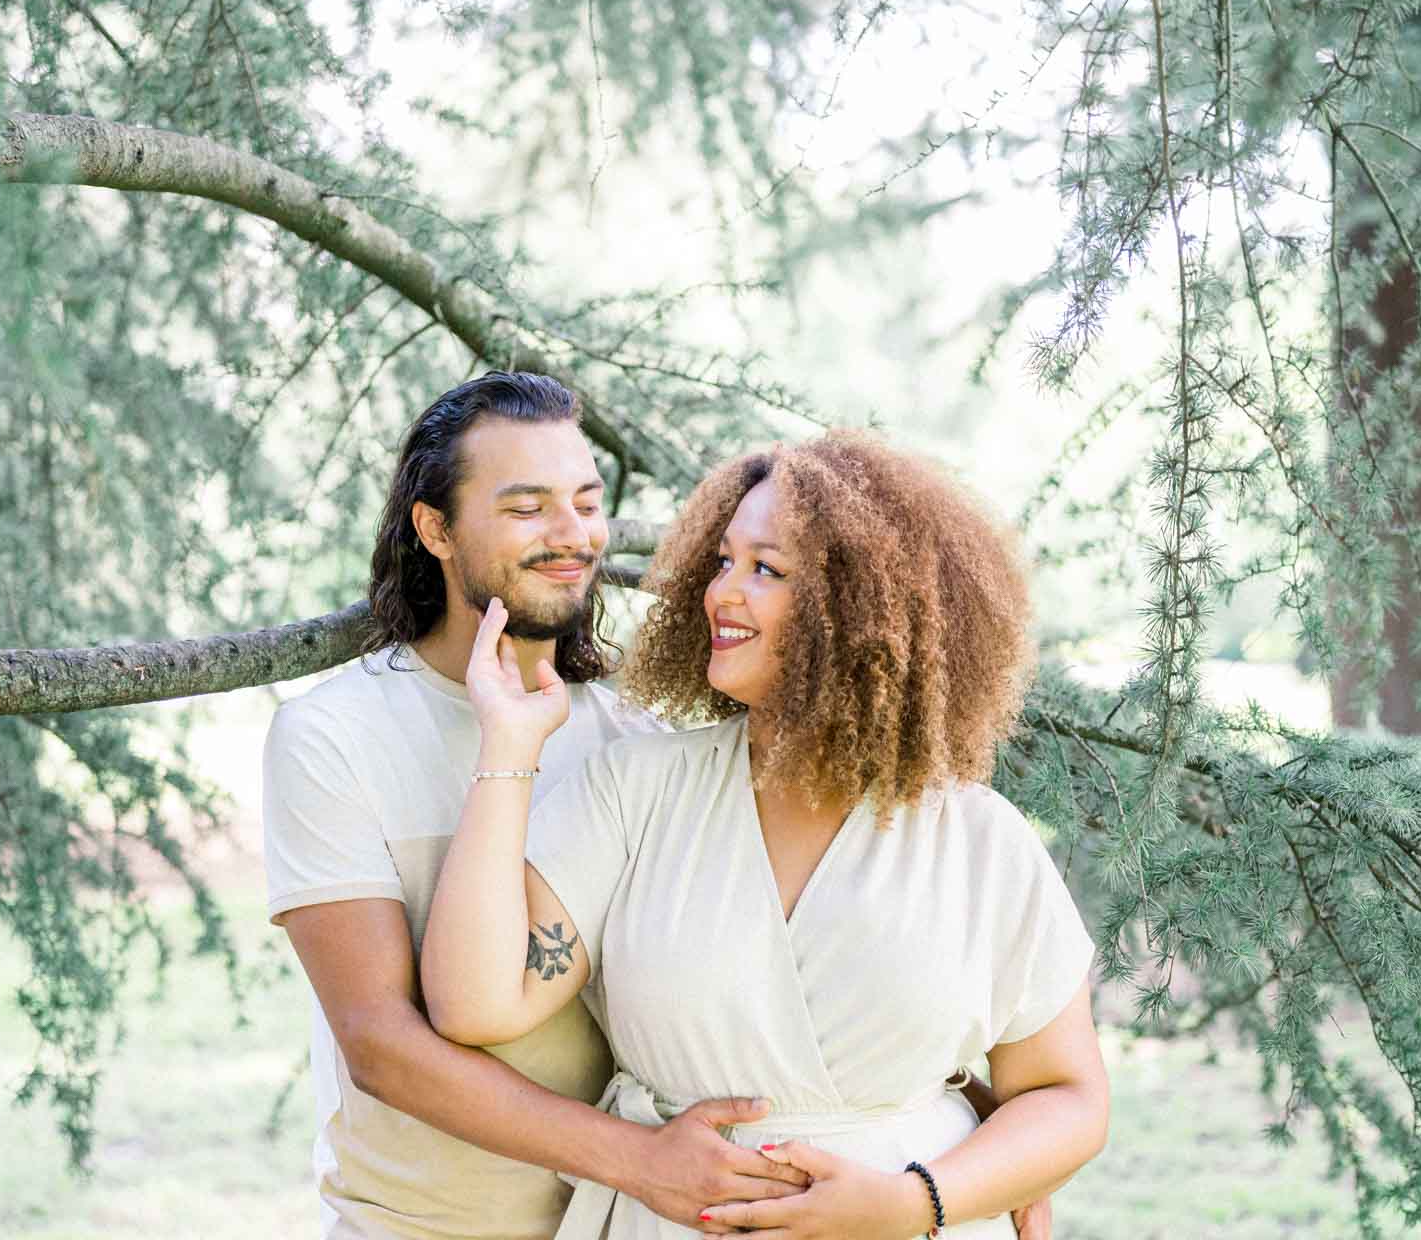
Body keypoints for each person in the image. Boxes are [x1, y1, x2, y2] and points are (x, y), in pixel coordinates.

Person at [421, 431, 1109, 1237]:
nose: (723, 594)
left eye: (766, 570)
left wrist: (912, 1200)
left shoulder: (977, 838)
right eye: (721, 562)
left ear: (858, 610)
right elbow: (473, 1004)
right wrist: (507, 745)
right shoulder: (636, 792)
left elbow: (1068, 1098)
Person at [263, 372, 818, 1239]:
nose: (572, 537)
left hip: (633, 1226)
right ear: (436, 528)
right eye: (527, 508)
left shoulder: (640, 732)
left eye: (587, 502)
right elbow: (380, 1045)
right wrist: (639, 1159)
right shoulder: (332, 735)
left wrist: (959, 1122)